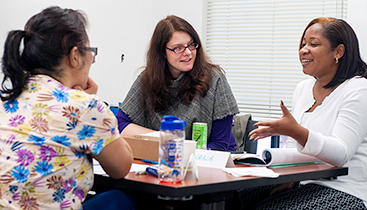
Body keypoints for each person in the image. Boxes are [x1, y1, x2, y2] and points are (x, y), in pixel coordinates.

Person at [0, 6, 136, 210]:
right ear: (74, 56)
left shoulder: (8, 97)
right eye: (90, 52)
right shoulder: (84, 106)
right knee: (123, 199)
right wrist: (90, 101)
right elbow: (121, 167)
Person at [239, 17, 367, 209]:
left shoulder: (359, 89)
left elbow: (341, 153)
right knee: (237, 197)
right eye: (302, 44)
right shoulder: (303, 88)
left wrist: (294, 130)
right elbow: (297, 148)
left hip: (348, 190)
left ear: (338, 51)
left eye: (313, 44)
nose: (303, 50)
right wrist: (289, 178)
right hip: (306, 183)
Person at [117, 15, 239, 151]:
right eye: (178, 48)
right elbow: (120, 124)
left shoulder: (214, 78)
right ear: (163, 52)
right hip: (162, 161)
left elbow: (220, 144)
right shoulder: (147, 79)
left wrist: (181, 151)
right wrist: (166, 139)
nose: (188, 53)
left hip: (208, 162)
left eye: (191, 45)